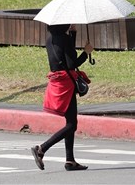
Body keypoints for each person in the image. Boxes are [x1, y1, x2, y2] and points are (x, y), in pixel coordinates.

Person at [31, 24, 94, 171]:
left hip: (58, 83)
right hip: (67, 84)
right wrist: (86, 52)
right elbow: (72, 63)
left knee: (70, 121)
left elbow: (64, 56)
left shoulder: (50, 39)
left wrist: (73, 35)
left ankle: (70, 160)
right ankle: (41, 149)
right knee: (72, 125)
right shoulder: (64, 39)